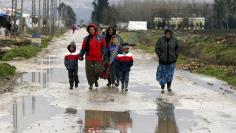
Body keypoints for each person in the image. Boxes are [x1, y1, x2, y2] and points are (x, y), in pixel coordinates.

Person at [79, 24, 106, 90]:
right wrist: (81, 55)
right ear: (88, 31)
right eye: (90, 30)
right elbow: (83, 48)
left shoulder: (101, 37)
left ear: (95, 30)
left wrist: (103, 53)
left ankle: (95, 80)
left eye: (93, 29)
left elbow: (104, 46)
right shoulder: (86, 38)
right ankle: (90, 84)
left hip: (98, 58)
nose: (92, 31)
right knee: (89, 72)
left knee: (97, 71)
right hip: (89, 57)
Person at [155, 29, 179, 94]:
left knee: (170, 75)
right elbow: (157, 48)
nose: (168, 35)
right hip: (163, 61)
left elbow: (177, 48)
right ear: (165, 34)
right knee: (162, 75)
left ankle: (169, 86)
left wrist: (176, 55)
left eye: (169, 34)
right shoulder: (161, 40)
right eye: (167, 34)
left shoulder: (174, 40)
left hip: (172, 61)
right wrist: (160, 56)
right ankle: (162, 86)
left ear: (171, 34)